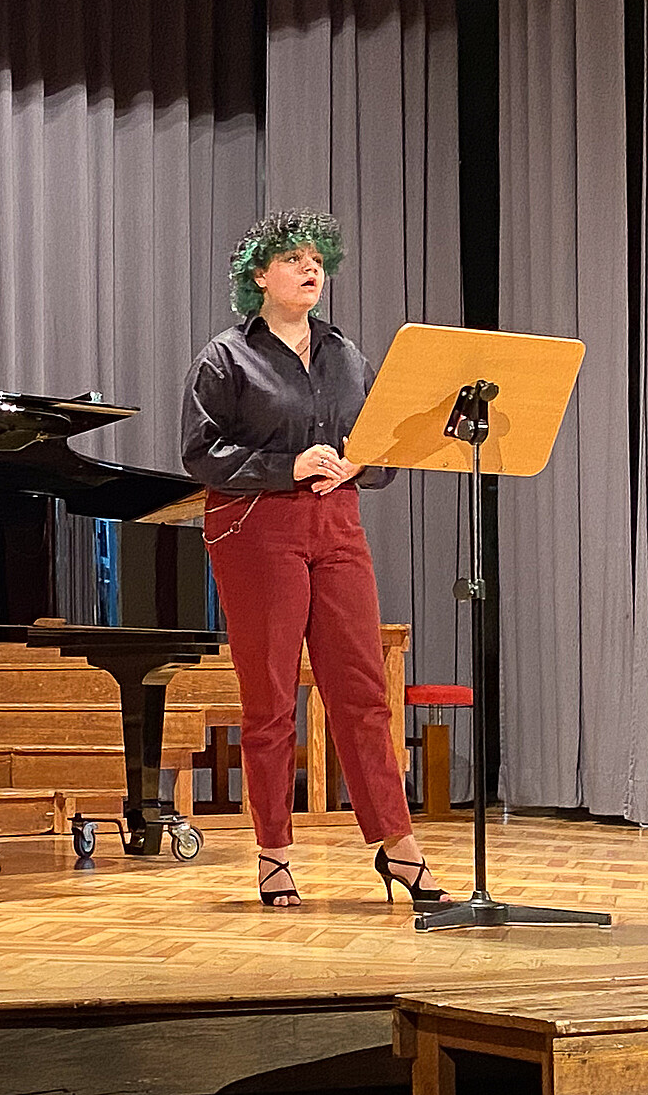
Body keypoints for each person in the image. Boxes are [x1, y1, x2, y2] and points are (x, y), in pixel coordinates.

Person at [181, 209, 451, 910]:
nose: (311, 269)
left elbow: (385, 446)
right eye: (294, 259)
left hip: (338, 525)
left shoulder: (345, 354)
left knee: (362, 692)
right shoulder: (225, 358)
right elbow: (199, 454)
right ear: (258, 276)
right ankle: (273, 852)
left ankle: (398, 846)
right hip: (257, 529)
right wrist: (286, 465)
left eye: (317, 260)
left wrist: (360, 463)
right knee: (271, 698)